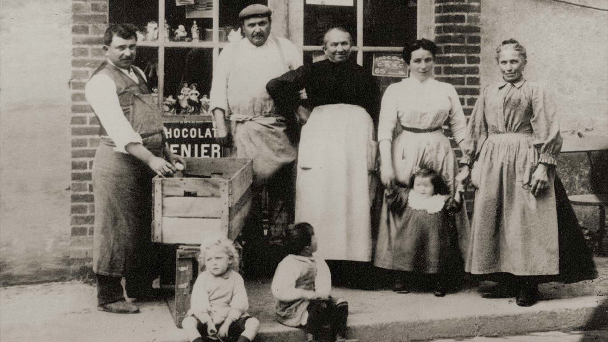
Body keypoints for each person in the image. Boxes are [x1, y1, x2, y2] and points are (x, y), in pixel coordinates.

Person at [459, 39, 596, 307]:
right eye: (503, 62)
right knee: (496, 217)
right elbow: (475, 129)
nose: (508, 67)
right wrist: (467, 164)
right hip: (492, 159)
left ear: (524, 62)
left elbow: (548, 130)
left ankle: (528, 284)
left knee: (526, 221)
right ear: (497, 63)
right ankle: (506, 279)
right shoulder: (488, 92)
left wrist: (544, 165)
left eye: (514, 61)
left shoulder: (535, 91)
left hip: (525, 158)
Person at [85, 23, 185, 314]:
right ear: (106, 49)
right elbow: (120, 129)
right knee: (115, 229)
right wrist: (152, 160)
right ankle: (109, 296)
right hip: (118, 163)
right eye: (121, 47)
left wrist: (166, 151)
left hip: (144, 160)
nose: (128, 52)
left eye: (132, 46)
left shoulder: (138, 74)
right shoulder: (101, 81)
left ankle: (140, 287)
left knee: (143, 226)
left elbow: (150, 120)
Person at [266, 27, 379, 274]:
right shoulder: (312, 71)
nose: (340, 49)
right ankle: (319, 259)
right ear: (324, 49)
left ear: (352, 46)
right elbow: (275, 85)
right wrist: (297, 107)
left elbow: (374, 109)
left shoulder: (363, 75)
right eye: (334, 45)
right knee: (321, 194)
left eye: (345, 44)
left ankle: (353, 261)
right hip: (322, 137)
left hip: (355, 138)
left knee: (353, 195)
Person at [209, 4, 302, 271]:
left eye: (262, 23)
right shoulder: (231, 52)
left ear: (270, 24)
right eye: (252, 25)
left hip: (279, 130)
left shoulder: (286, 48)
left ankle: (278, 255)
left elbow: (301, 89)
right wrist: (221, 129)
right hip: (244, 131)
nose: (257, 29)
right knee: (245, 197)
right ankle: (252, 257)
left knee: (281, 195)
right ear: (243, 28)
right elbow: (218, 93)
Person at [375, 39, 469, 281]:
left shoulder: (445, 89)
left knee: (441, 202)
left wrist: (468, 156)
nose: (423, 65)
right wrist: (386, 164)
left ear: (434, 61)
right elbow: (385, 129)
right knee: (405, 203)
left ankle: (442, 268)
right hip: (406, 146)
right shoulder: (395, 90)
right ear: (408, 63)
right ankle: (401, 269)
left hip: (438, 145)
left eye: (428, 59)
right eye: (417, 60)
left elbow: (459, 126)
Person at [380, 168, 465, 296]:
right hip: (410, 237)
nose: (422, 189)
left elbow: (455, 207)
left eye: (426, 186)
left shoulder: (441, 200)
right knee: (406, 255)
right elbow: (394, 201)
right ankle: (401, 281)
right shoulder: (409, 196)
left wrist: (459, 190)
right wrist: (389, 186)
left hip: (434, 239)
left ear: (435, 187)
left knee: (436, 257)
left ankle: (439, 284)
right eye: (418, 185)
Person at [272, 223, 349, 342]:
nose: (317, 239)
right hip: (293, 307)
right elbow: (280, 291)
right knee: (319, 308)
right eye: (314, 237)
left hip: (313, 301)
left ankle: (340, 337)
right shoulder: (289, 263)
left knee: (341, 304)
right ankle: (311, 337)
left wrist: (321, 293)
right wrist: (305, 294)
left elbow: (324, 281)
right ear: (307, 247)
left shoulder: (317, 260)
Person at [182, 238, 260, 342]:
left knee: (254, 323)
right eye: (209, 259)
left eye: (218, 258)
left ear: (230, 259)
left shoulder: (236, 278)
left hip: (230, 320)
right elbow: (199, 304)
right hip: (207, 322)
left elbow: (239, 303)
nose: (214, 263)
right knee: (188, 322)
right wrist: (209, 322)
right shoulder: (203, 279)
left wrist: (227, 323)